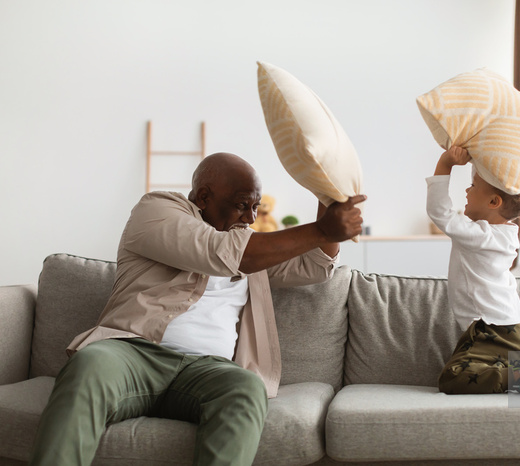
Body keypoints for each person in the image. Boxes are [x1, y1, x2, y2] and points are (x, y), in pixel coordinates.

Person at [29, 152, 366, 466]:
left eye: (256, 207)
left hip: (208, 371)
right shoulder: (156, 210)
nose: (249, 218)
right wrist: (322, 229)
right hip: (133, 353)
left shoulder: (248, 242)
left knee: (245, 387)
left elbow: (315, 265)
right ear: (203, 197)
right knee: (90, 363)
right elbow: (221, 252)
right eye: (240, 205)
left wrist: (327, 195)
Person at [426, 145, 520, 397]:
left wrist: (445, 164)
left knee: (454, 378)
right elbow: (489, 185)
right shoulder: (503, 234)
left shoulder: (479, 236)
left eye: (472, 186)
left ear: (494, 201)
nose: (467, 190)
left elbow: (440, 212)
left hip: (489, 329)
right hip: (511, 327)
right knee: (473, 368)